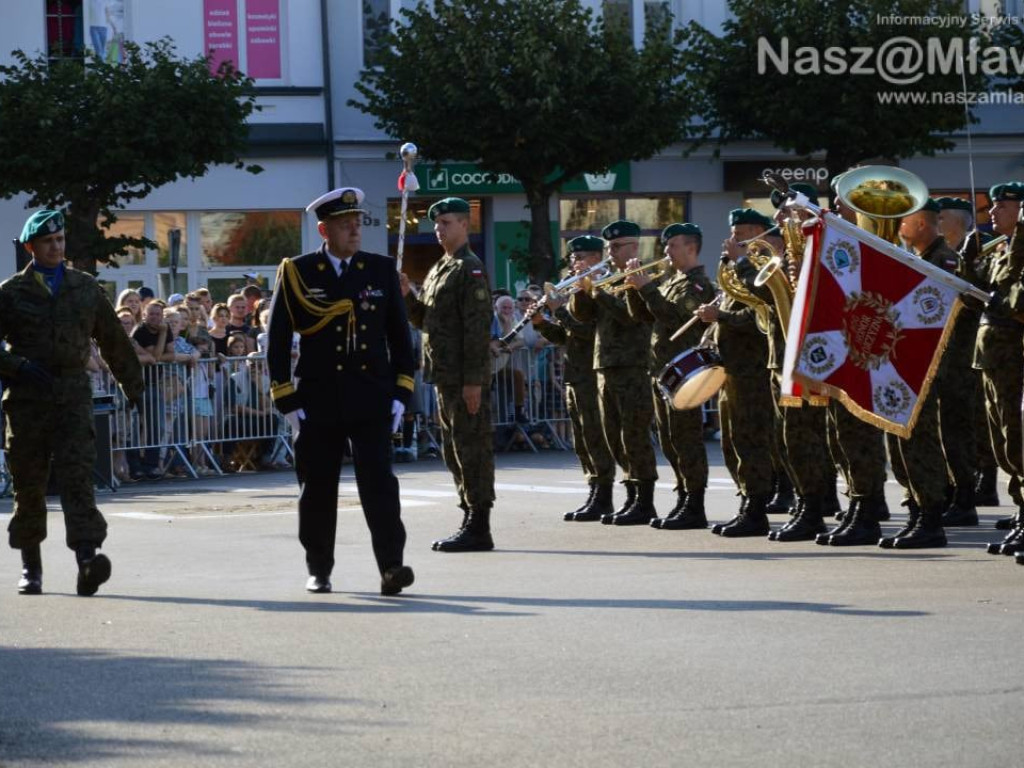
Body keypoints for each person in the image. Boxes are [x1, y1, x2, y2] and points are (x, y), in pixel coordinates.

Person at [267, 186, 416, 595]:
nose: (354, 230)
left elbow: (400, 338)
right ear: (324, 229)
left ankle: (391, 567)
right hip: (318, 398)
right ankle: (319, 567)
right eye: (345, 225)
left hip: (371, 396)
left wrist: (401, 393)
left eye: (357, 223)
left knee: (380, 487)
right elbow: (277, 339)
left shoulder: (379, 269)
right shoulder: (297, 272)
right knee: (316, 490)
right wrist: (285, 396)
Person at [0, 210, 144, 596]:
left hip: (72, 394)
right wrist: (17, 366)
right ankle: (31, 567)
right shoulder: (10, 292)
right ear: (31, 247)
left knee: (78, 478)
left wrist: (135, 388)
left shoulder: (84, 287)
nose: (57, 247)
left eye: (60, 240)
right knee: (28, 483)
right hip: (27, 398)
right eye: (48, 242)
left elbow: (113, 340)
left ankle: (87, 560)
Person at [400, 196, 496, 551]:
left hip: (462, 376)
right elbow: (427, 321)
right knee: (454, 449)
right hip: (443, 375)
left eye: (446, 224)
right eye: (436, 225)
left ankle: (479, 523)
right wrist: (407, 295)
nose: (439, 230)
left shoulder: (469, 268)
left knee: (472, 448)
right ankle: (468, 513)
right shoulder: (441, 267)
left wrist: (473, 381)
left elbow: (476, 328)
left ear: (464, 225)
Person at [625, 223, 717, 529]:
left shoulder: (699, 284)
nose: (666, 251)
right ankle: (682, 497)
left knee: (686, 439)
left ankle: (695, 503)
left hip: (686, 372)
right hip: (664, 371)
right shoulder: (673, 280)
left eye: (673, 245)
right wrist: (635, 291)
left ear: (691, 248)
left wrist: (647, 288)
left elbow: (675, 316)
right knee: (670, 440)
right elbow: (645, 316)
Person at [569, 220, 657, 525]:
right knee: (615, 438)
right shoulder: (607, 279)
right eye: (609, 247)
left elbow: (631, 317)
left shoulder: (639, 277)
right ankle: (631, 496)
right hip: (605, 365)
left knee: (634, 436)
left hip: (633, 365)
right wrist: (581, 291)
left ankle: (645, 500)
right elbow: (583, 317)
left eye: (617, 247)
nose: (611, 252)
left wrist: (597, 292)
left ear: (634, 247)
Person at [533, 236, 616, 521]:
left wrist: (559, 311)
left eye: (580, 257)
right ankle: (593, 489)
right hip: (575, 372)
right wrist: (542, 324)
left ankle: (604, 495)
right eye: (572, 258)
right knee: (582, 439)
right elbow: (567, 337)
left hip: (593, 374)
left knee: (595, 436)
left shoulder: (600, 289)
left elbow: (588, 332)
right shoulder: (576, 291)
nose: (574, 263)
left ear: (596, 257)